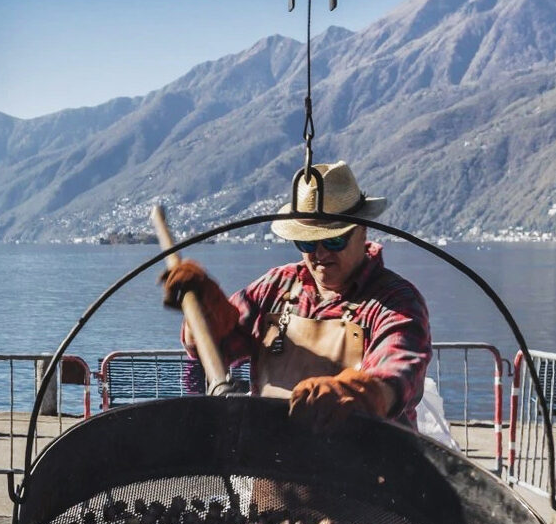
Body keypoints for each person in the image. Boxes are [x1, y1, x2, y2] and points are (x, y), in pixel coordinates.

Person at [160, 161, 431, 430]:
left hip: (366, 456)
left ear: (362, 231)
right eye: (308, 243)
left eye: (335, 240)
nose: (320, 253)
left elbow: (397, 375)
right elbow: (214, 347)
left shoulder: (397, 301)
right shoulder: (275, 286)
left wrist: (355, 393)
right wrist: (205, 309)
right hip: (271, 452)